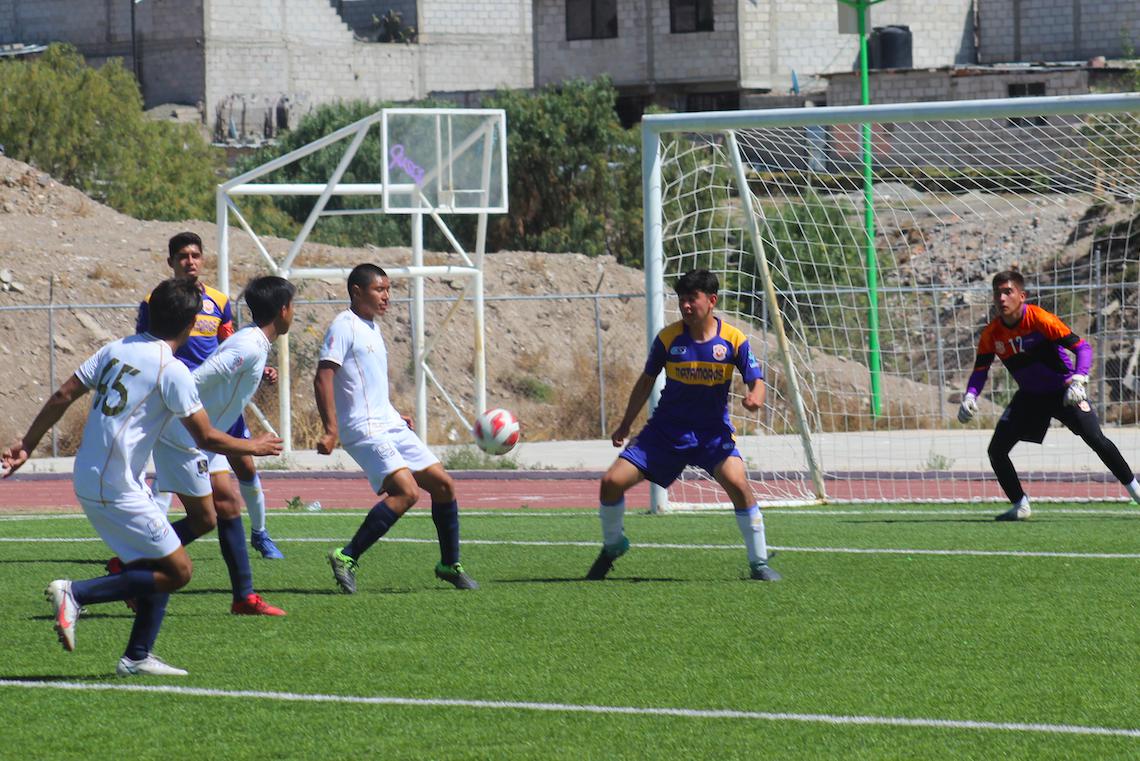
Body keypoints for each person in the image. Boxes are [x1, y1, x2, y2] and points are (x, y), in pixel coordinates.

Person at [1, 278, 282, 676]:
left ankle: (137, 656)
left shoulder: (115, 348)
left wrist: (27, 444)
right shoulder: (173, 370)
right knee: (179, 570)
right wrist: (253, 446)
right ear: (189, 325)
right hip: (115, 485)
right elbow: (204, 436)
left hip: (91, 473)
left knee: (158, 559)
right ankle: (76, 593)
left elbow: (63, 395)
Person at [586, 269, 780, 582]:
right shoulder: (667, 338)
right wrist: (624, 424)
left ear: (712, 300)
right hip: (665, 431)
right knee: (610, 482)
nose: (686, 306)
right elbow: (646, 381)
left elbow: (756, 381)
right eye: (682, 300)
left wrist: (754, 397)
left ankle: (759, 564)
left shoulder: (733, 339)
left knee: (740, 486)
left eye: (693, 299)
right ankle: (613, 546)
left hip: (712, 435)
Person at [315, 263, 477, 593]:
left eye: (389, 290)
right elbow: (323, 376)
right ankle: (347, 557)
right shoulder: (343, 326)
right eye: (380, 289)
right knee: (407, 492)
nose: (387, 296)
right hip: (363, 429)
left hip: (387, 423)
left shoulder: (372, 327)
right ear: (357, 291)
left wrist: (395, 414)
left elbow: (366, 384)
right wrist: (330, 429)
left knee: (444, 485)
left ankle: (449, 564)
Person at [147, 276, 296, 616]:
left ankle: (243, 597)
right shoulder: (248, 346)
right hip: (185, 438)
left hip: (205, 438)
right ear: (284, 310)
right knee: (204, 519)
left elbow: (222, 385)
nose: (293, 314)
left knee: (228, 505)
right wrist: (246, 444)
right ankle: (131, 566)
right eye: (293, 307)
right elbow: (197, 379)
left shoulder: (253, 344)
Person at [138, 231, 283, 559]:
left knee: (244, 467)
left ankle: (260, 534)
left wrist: (260, 371)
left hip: (221, 398)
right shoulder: (156, 301)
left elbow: (230, 346)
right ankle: (154, 547)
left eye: (195, 255)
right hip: (183, 399)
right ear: (171, 262)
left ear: (203, 259)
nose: (190, 262)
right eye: (183, 257)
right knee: (190, 484)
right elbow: (145, 345)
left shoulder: (218, 301)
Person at [957, 270, 1140, 519]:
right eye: (997, 292)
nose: (1002, 298)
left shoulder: (1040, 319)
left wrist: (1078, 379)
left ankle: (1136, 491)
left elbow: (1082, 348)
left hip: (1065, 391)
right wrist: (970, 396)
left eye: (1007, 291)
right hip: (1030, 397)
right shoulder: (991, 334)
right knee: (996, 451)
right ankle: (1020, 504)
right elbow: (980, 371)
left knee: (1096, 439)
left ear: (1022, 296)